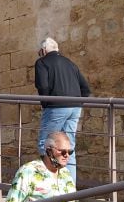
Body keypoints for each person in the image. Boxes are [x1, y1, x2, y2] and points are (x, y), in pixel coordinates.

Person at [34, 37, 92, 183]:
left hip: (55, 107)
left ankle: (49, 184)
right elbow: (85, 88)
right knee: (68, 146)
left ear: (43, 50)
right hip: (75, 107)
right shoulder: (70, 63)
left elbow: (43, 86)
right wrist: (77, 103)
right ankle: (69, 188)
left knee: (45, 143)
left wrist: (46, 103)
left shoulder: (42, 62)